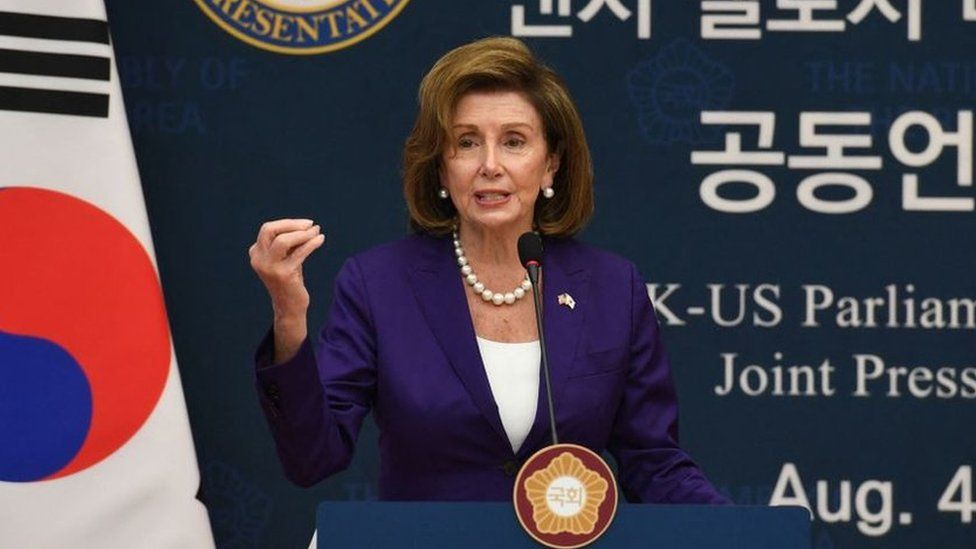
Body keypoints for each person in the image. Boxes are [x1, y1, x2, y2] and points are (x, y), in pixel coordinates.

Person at [249, 36, 728, 504]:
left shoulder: (611, 287)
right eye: (467, 143)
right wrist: (288, 315)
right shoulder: (378, 284)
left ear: (551, 165)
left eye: (515, 142)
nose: (490, 165)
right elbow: (314, 457)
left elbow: (653, 460)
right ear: (440, 168)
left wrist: (744, 533)